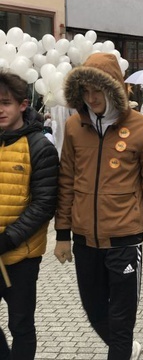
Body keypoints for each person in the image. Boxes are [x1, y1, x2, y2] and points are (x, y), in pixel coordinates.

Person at [54, 53, 143, 360]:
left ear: (115, 89)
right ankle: (127, 349)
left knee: (121, 322)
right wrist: (62, 234)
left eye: (98, 90)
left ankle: (122, 348)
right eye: (86, 91)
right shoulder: (74, 127)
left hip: (125, 240)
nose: (91, 98)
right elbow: (66, 181)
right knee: (93, 310)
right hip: (84, 240)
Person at [0, 71, 58, 360]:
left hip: (21, 255)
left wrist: (7, 239)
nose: (0, 109)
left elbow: (44, 204)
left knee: (20, 324)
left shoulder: (39, 146)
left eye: (5, 103)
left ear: (22, 105)